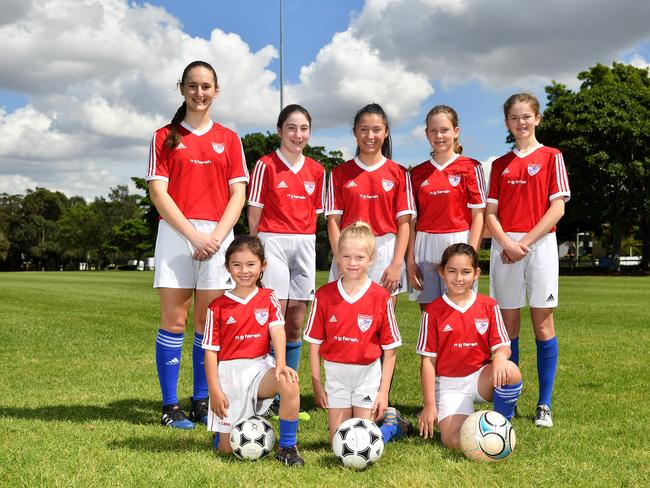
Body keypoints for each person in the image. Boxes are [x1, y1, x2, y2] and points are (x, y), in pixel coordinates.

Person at [146, 60, 248, 429]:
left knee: (208, 323)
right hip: (176, 235)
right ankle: (170, 407)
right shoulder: (164, 136)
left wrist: (217, 238)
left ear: (216, 91)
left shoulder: (230, 138)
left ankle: (202, 401)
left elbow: (238, 193)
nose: (200, 93)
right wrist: (193, 235)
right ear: (182, 89)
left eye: (206, 86)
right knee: (174, 321)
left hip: (219, 237)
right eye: (193, 86)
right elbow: (158, 192)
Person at [485, 92, 570, 428]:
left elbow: (558, 207)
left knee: (543, 324)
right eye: (514, 118)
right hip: (505, 248)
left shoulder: (552, 157)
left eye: (526, 117)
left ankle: (544, 405)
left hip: (541, 246)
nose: (521, 123)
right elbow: (490, 213)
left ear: (538, 119)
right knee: (507, 329)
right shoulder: (499, 165)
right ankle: (509, 402)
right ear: (507, 123)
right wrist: (507, 242)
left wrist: (525, 242)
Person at [304, 221, 411, 444]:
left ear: (371, 260)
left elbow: (390, 351)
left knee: (362, 441)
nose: (352, 263)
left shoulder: (381, 297)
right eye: (346, 257)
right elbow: (314, 345)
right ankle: (386, 424)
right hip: (336, 374)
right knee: (338, 441)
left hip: (367, 374)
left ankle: (392, 425)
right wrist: (317, 383)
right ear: (337, 256)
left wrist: (383, 393)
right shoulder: (324, 295)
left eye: (360, 258)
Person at [202, 235, 304, 467]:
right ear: (228, 267)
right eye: (237, 265)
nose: (244, 271)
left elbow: (277, 329)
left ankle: (287, 447)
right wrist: (215, 391)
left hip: (260, 367)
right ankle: (220, 435)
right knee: (227, 451)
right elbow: (209, 353)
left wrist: (280, 363)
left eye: (251, 264)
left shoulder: (268, 298)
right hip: (229, 375)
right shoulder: (217, 307)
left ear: (262, 266)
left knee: (288, 382)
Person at [248, 104, 325, 388]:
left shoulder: (317, 170)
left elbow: (315, 213)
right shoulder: (265, 165)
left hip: (305, 243)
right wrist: (255, 250)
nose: (297, 134)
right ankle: (266, 386)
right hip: (272, 240)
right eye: (291, 128)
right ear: (280, 130)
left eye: (303, 129)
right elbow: (254, 212)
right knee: (275, 318)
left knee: (295, 322)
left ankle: (287, 388)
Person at [417, 243, 523, 449]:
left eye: (465, 272)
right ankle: (470, 422)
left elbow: (502, 345)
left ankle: (501, 425)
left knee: (511, 371)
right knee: (455, 442)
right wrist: (429, 405)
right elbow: (428, 362)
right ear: (442, 272)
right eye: (452, 271)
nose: (459, 278)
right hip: (449, 385)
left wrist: (500, 357)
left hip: (479, 378)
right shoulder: (432, 311)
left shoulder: (488, 305)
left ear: (476, 274)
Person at [325, 103, 415, 300]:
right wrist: (341, 259)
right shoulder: (340, 173)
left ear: (386, 132)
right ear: (355, 132)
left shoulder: (399, 173)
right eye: (364, 130)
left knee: (383, 319)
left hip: (386, 249)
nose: (370, 136)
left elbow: (404, 223)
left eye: (376, 130)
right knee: (345, 316)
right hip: (349, 249)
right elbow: (333, 221)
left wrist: (396, 264)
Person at [407, 105, 486, 310]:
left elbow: (478, 214)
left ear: (456, 132)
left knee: (460, 310)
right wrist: (411, 260)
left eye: (444, 130)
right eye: (433, 131)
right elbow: (412, 221)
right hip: (424, 244)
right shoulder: (416, 174)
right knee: (429, 312)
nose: (439, 135)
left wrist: (471, 255)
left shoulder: (471, 167)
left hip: (458, 240)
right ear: (426, 134)